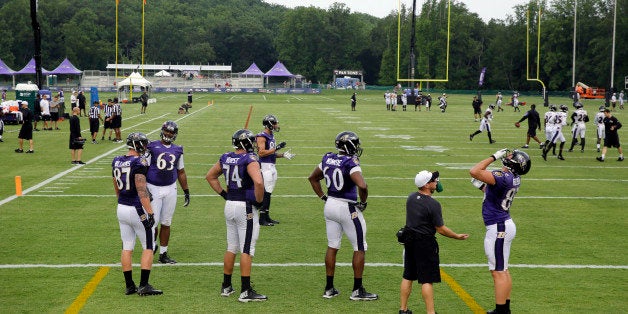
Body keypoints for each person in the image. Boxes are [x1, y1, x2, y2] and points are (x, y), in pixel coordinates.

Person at [308, 131, 378, 301]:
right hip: (347, 206)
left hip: (330, 204)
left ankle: (329, 288)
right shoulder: (350, 162)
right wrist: (363, 202)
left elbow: (312, 178)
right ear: (350, 146)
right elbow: (362, 185)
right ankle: (357, 290)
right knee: (359, 247)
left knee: (333, 245)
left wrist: (323, 197)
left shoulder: (327, 158)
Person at [205, 129, 267, 302]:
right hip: (244, 207)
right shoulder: (250, 159)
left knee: (231, 247)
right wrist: (259, 202)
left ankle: (226, 286)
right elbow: (259, 182)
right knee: (247, 248)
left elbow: (210, 176)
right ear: (246, 143)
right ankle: (246, 291)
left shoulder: (225, 157)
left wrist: (225, 195)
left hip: (230, 205)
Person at [470, 149, 532, 314]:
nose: (508, 157)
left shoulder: (504, 177)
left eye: (512, 157)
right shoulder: (513, 178)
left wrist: (493, 156)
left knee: (498, 272)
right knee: (502, 270)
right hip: (503, 224)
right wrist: (483, 186)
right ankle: (505, 309)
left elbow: (474, 171)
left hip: (498, 227)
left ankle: (501, 311)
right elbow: (495, 192)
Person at [399, 170, 469, 314]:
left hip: (409, 241)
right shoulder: (433, 204)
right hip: (425, 244)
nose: (436, 182)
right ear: (426, 185)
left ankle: (403, 309)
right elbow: (441, 229)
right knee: (426, 280)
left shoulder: (411, 197)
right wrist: (457, 236)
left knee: (408, 276)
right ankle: (431, 312)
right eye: (434, 180)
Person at [112, 132, 162, 296]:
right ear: (138, 145)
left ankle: (129, 286)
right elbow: (141, 191)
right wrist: (150, 212)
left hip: (122, 207)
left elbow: (116, 185)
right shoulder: (139, 162)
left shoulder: (117, 160)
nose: (145, 147)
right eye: (143, 144)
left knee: (127, 246)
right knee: (149, 246)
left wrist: (122, 199)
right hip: (137, 209)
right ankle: (144, 285)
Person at [146, 121, 190, 264]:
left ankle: (163, 253)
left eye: (171, 132)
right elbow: (143, 168)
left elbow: (181, 171)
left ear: (175, 134)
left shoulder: (177, 150)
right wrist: (144, 188)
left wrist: (186, 190)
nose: (168, 134)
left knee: (166, 222)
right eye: (166, 131)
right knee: (153, 222)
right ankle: (151, 247)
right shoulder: (151, 146)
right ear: (162, 130)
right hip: (153, 187)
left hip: (170, 188)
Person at [256, 115, 294, 226]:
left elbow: (271, 152)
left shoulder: (271, 135)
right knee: (266, 192)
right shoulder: (261, 136)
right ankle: (262, 218)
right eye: (275, 123)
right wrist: (277, 148)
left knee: (269, 192)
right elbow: (261, 153)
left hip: (271, 166)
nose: (276, 125)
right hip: (265, 166)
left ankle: (266, 216)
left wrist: (282, 155)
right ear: (269, 124)